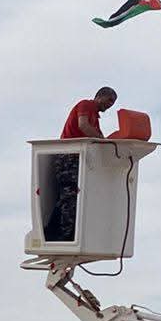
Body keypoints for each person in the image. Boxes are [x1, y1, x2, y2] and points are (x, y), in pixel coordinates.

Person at [46, 88, 118, 241]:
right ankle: (64, 235)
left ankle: (56, 231)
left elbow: (98, 136)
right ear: (99, 96)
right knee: (70, 195)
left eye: (113, 103)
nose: (110, 105)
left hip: (76, 156)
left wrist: (108, 144)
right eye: (109, 100)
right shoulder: (86, 105)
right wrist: (104, 142)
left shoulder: (95, 118)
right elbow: (83, 125)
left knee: (73, 196)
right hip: (68, 155)